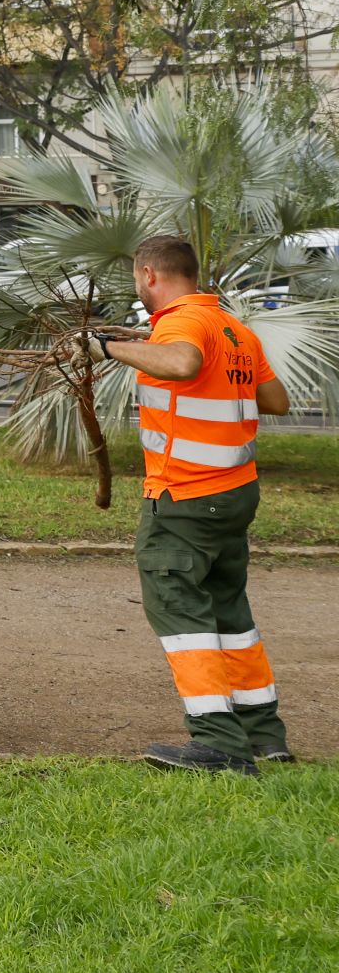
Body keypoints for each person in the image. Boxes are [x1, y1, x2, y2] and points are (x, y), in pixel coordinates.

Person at [87, 234, 293, 775]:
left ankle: (220, 745)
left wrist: (105, 348)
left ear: (149, 274)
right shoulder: (234, 329)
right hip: (234, 492)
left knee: (181, 613)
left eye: (137, 278)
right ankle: (263, 734)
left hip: (185, 497)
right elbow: (275, 399)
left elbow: (180, 362)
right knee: (229, 612)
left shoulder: (183, 324)